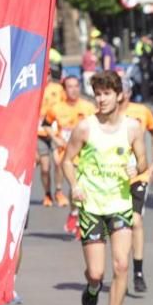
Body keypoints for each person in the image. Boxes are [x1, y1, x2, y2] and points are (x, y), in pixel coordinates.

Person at [61, 71, 148, 305]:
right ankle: (93, 286)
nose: (101, 99)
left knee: (121, 264)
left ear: (119, 95)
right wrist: (74, 184)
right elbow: (67, 160)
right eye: (97, 94)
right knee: (97, 272)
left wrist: (138, 167)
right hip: (92, 206)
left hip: (120, 204)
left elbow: (143, 161)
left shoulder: (132, 127)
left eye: (107, 93)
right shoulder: (85, 127)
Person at [120, 78, 153, 293]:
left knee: (135, 222)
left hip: (139, 175)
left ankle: (138, 271)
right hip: (114, 178)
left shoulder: (141, 111)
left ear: (128, 92)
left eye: (123, 90)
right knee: (119, 227)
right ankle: (121, 270)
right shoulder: (107, 114)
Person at [48, 75, 96, 235]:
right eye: (70, 86)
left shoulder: (89, 107)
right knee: (77, 185)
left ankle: (78, 215)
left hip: (87, 153)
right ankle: (77, 215)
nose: (74, 90)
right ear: (64, 89)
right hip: (68, 154)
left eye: (76, 86)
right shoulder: (56, 108)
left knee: (86, 187)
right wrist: (55, 139)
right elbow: (46, 125)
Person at [37, 68, 66, 207]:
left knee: (58, 162)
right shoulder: (34, 88)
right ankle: (47, 194)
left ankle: (59, 191)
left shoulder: (58, 89)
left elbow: (65, 105)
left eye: (46, 74)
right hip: (40, 133)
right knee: (44, 168)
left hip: (55, 132)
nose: (44, 76)